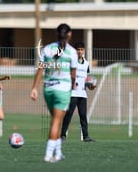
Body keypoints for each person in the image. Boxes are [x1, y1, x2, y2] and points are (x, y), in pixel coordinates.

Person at [31, 23, 78, 162]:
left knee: (55, 121)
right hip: (62, 90)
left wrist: (34, 88)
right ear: (69, 34)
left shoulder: (47, 49)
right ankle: (48, 154)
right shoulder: (72, 52)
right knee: (56, 122)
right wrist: (74, 84)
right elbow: (73, 74)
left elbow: (40, 69)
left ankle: (58, 153)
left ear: (56, 34)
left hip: (48, 89)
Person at [61, 41, 96, 142]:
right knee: (68, 115)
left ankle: (86, 136)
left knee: (83, 116)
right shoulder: (71, 62)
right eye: (78, 50)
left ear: (84, 51)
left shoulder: (86, 64)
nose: (80, 51)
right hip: (72, 94)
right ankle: (62, 135)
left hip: (83, 94)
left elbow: (86, 80)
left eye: (81, 49)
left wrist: (91, 86)